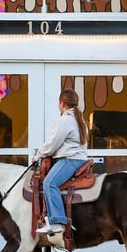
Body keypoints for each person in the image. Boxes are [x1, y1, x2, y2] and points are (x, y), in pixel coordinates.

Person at [32, 88, 89, 234]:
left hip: (70, 160)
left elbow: (52, 144)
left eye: (59, 103)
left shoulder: (65, 120)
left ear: (62, 103)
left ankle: (57, 222)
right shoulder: (79, 120)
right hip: (78, 159)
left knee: (49, 183)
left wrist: (38, 155)